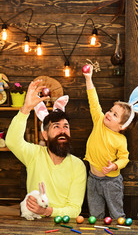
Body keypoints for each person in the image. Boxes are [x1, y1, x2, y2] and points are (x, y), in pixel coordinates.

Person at [5, 79, 87, 218]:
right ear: (45, 135)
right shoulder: (34, 155)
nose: (62, 131)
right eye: (56, 127)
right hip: (34, 223)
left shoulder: (78, 166)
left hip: (63, 226)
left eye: (66, 127)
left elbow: (74, 210)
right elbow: (12, 141)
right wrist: (26, 108)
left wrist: (47, 211)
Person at [83, 66, 136, 219]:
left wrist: (114, 165)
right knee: (95, 214)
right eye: (111, 110)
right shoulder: (99, 120)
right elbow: (93, 101)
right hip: (93, 178)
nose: (109, 114)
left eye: (115, 114)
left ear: (122, 126)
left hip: (111, 181)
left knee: (116, 213)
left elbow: (124, 158)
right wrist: (88, 79)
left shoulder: (120, 140)